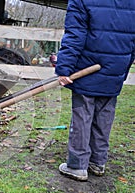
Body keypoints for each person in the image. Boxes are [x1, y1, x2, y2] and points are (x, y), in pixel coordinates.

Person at [55, 0, 135, 181]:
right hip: (115, 67)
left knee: (82, 115)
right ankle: (98, 162)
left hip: (87, 67)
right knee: (104, 115)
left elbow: (75, 35)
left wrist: (64, 68)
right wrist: (123, 68)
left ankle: (77, 165)